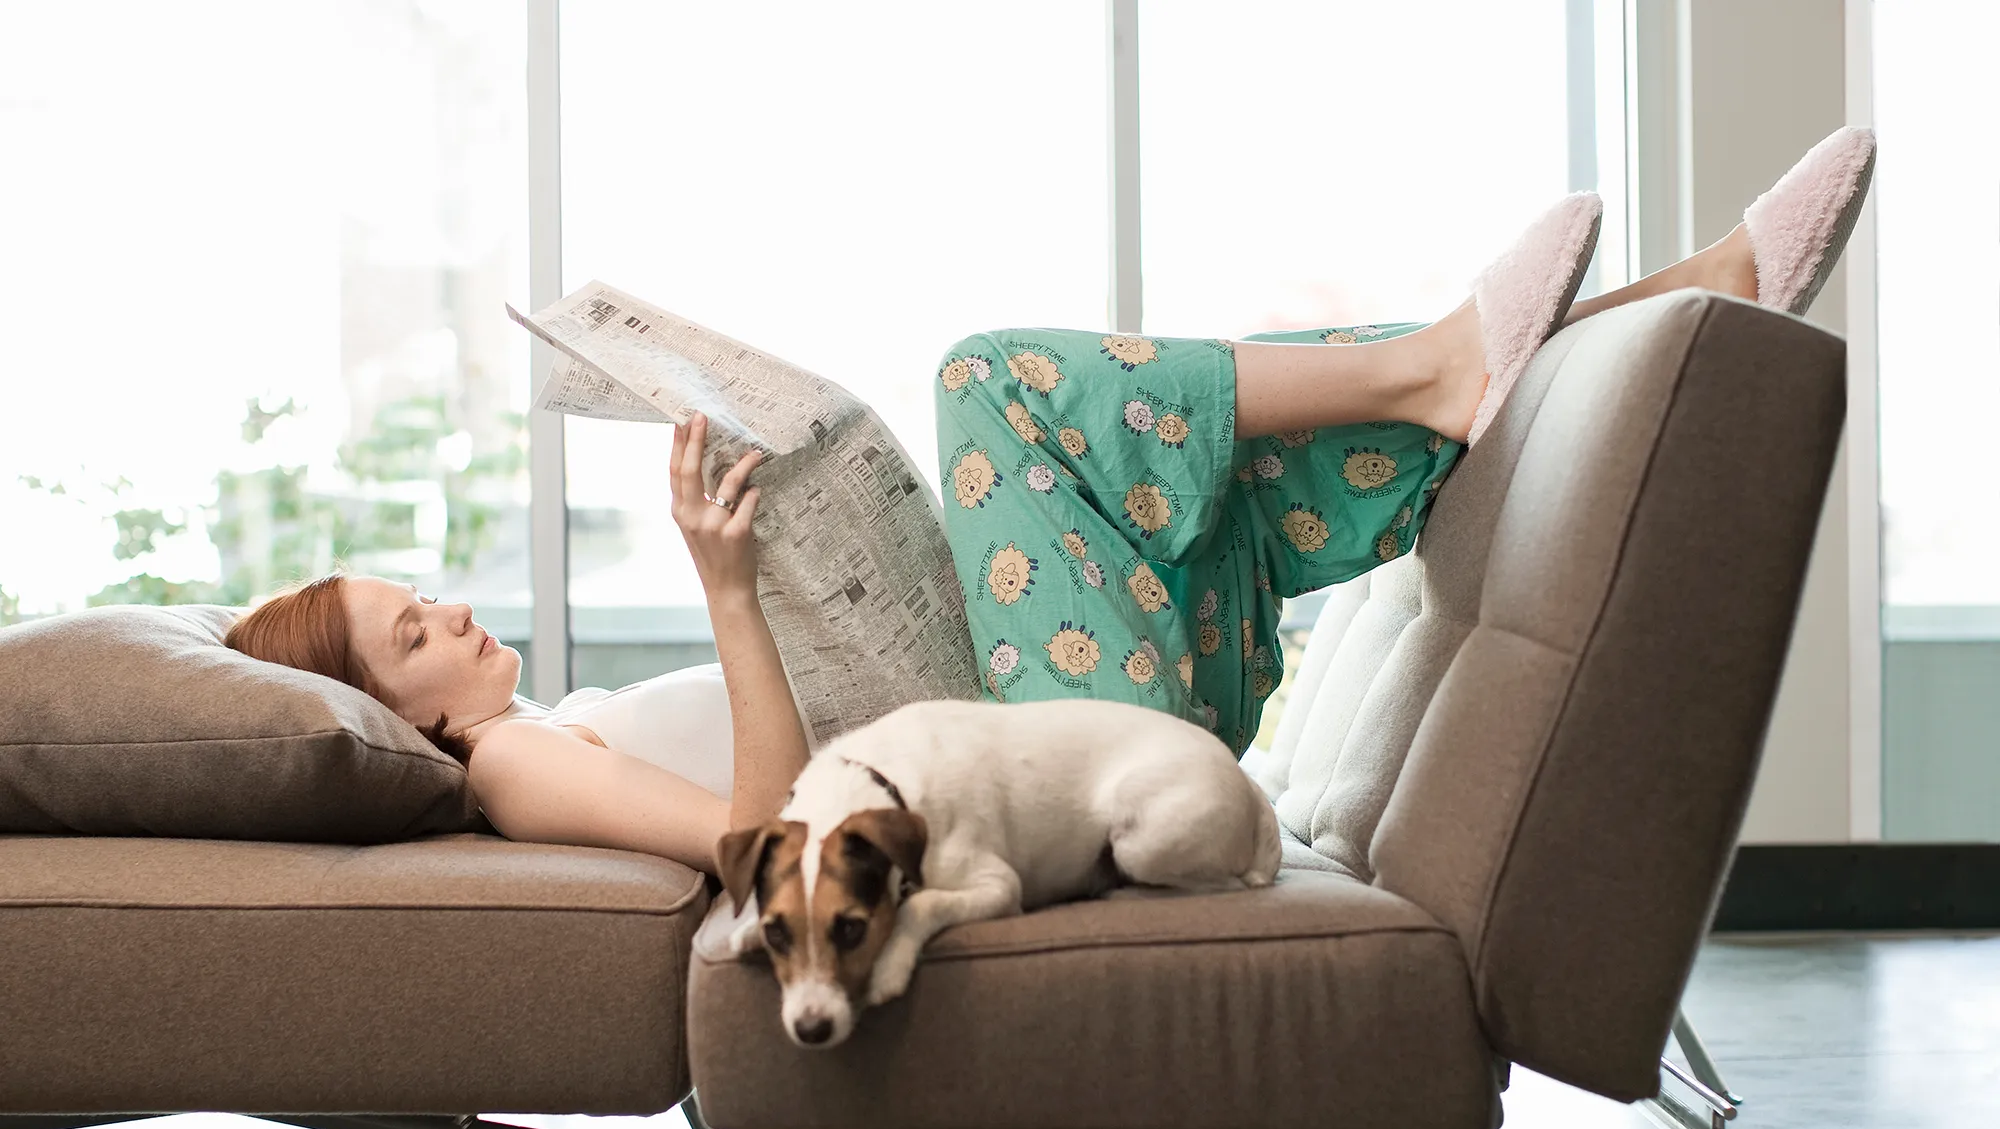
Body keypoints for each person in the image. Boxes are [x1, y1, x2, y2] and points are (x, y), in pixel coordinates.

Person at [223, 127, 1875, 875]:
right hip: (1056, 765)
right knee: (991, 385)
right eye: (406, 632)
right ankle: (1463, 361)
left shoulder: (548, 724)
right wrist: (729, 588)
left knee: (1214, 458)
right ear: (389, 710)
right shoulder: (512, 767)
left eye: (413, 594)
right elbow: (751, 843)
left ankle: (1654, 308)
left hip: (1073, 725)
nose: (444, 609)